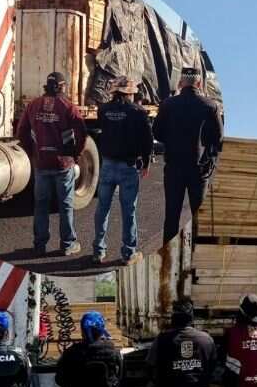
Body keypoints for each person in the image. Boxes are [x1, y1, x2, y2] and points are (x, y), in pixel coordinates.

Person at [16, 71, 87, 256]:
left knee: (41, 205)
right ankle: (67, 245)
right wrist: (75, 155)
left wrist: (33, 152)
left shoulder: (33, 105)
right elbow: (81, 134)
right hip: (63, 164)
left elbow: (22, 132)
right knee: (65, 205)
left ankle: (39, 245)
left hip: (42, 164)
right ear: (63, 86)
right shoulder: (68, 107)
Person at [153, 67, 223, 245]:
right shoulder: (210, 106)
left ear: (180, 83)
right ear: (199, 83)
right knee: (198, 216)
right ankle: (196, 254)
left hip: (174, 167)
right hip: (199, 169)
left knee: (172, 216)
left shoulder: (168, 104)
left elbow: (158, 133)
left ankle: (168, 255)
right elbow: (219, 138)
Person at [93, 76, 153, 264]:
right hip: (128, 167)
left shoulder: (104, 110)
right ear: (130, 92)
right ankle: (128, 253)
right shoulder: (138, 112)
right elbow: (147, 141)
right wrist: (146, 163)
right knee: (128, 210)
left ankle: (98, 251)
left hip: (108, 165)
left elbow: (102, 130)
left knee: (102, 208)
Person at [147, 298, 217, 387]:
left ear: (173, 318)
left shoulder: (161, 340)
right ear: (192, 318)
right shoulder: (207, 340)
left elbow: (150, 369)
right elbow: (212, 369)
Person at [55, 311, 123, 387]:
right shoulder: (113, 352)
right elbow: (119, 377)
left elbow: (59, 378)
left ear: (82, 331)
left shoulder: (71, 353)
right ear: (102, 330)